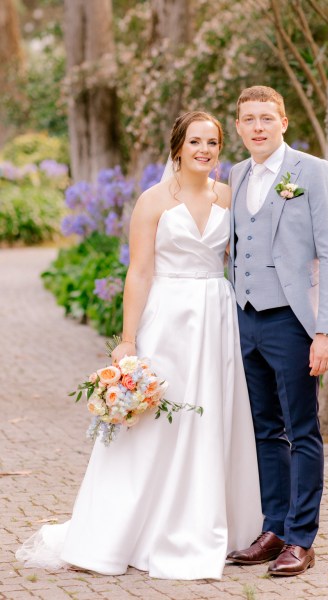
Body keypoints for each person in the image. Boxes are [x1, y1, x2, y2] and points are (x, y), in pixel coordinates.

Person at [16, 111, 263, 580]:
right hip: (167, 319)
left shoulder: (229, 196)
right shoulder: (151, 202)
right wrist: (128, 340)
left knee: (213, 415)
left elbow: (242, 260)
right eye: (195, 142)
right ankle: (132, 529)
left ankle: (207, 522)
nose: (205, 150)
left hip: (216, 314)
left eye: (212, 142)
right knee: (157, 424)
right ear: (178, 146)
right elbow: (140, 272)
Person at [226, 86, 328, 576]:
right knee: (264, 429)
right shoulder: (234, 175)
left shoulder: (313, 172)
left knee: (302, 429)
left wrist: (327, 330)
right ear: (238, 127)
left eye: (266, 118)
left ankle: (301, 538)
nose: (258, 126)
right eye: (249, 119)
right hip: (245, 318)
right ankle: (273, 527)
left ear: (283, 122)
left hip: (293, 321)